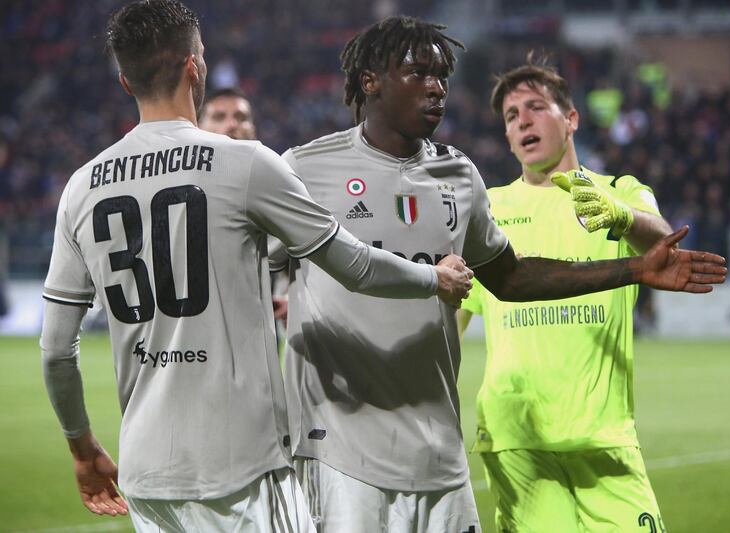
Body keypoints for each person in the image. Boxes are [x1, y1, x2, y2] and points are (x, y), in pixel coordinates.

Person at [276, 16, 726, 533]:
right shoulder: (305, 170)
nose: (437, 88)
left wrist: (634, 268)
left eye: (442, 75)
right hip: (338, 452)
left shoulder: (459, 175)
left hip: (438, 454)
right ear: (370, 81)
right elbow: (255, 273)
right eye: (419, 73)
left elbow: (510, 279)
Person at [39, 2, 472, 531]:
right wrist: (435, 277)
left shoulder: (81, 187)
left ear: (126, 81)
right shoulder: (244, 164)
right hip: (243, 468)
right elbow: (354, 265)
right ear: (194, 67)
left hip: (148, 471)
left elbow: (57, 351)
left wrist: (82, 449)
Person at [457, 55, 671, 532]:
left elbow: (663, 244)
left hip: (605, 436)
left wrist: (621, 215)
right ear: (508, 138)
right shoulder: (487, 210)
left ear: (570, 119)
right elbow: (451, 317)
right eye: (512, 117)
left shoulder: (620, 192)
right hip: (518, 439)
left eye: (535, 107)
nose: (522, 121)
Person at [199, 87, 289, 325]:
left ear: (253, 130)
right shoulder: (178, 190)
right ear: (197, 128)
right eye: (219, 117)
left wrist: (294, 300)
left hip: (255, 335)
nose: (231, 125)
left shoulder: (277, 184)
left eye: (241, 118)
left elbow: (306, 252)